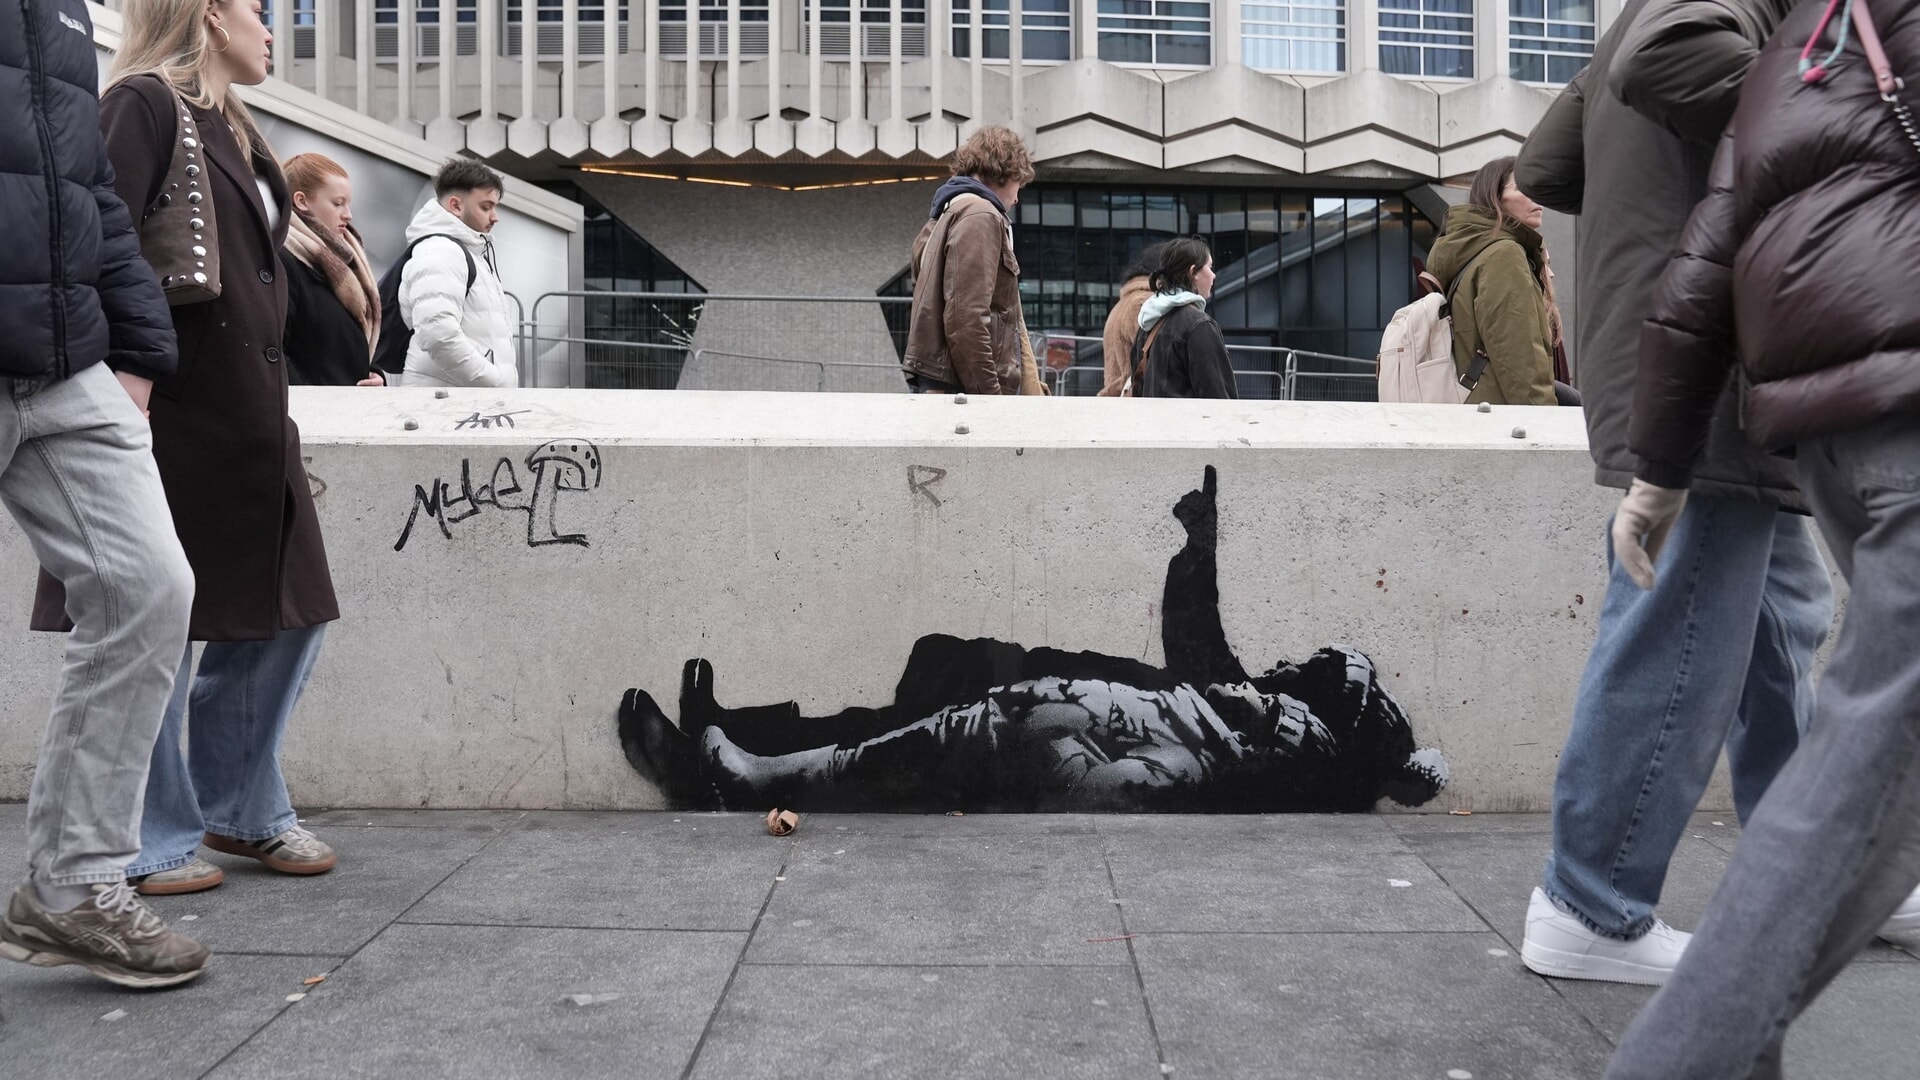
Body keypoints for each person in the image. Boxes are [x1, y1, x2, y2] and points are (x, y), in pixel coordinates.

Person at [1604, 0, 1920, 1072]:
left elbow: (1704, 261)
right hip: (1906, 383)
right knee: (1871, 768)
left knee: (1866, 748)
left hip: (1830, 424)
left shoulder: (1803, 45)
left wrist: (1660, 465)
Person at [1508, 0, 1842, 986]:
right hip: (1705, 356)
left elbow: (1544, 165)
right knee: (1681, 625)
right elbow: (1671, 58)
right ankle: (1591, 901)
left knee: (1782, 619)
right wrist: (1836, 144)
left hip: (1660, 340)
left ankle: (1822, 869)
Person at [622, 468, 1448, 813]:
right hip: (1091, 702)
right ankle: (742, 735)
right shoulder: (1279, 714)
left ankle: (722, 771)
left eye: (1310, 670)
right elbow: (1208, 668)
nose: (1291, 667)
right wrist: (1198, 556)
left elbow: (1202, 687)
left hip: (1086, 727)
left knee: (927, 713)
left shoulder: (1301, 731)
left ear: (1341, 701)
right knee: (932, 678)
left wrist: (1198, 561)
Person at [42, 0, 344, 895]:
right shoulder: (139, 102)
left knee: (290, 611)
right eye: (259, 10)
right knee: (160, 626)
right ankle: (153, 835)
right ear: (209, 15)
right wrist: (129, 378)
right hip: (171, 408)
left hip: (250, 412)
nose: (270, 27)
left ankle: (240, 810)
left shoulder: (236, 126)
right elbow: (90, 245)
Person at [0, 0, 207, 989]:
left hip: (68, 357)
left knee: (149, 588)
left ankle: (76, 888)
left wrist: (136, 346)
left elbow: (84, 188)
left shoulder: (62, 15)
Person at [902, 126, 1035, 395]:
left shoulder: (943, 214)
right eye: (1018, 182)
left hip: (944, 387)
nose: (1018, 196)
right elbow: (967, 318)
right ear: (1004, 172)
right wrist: (990, 395)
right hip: (965, 395)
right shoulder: (980, 215)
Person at [1425, 158, 1557, 407]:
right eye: (1522, 187)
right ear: (1495, 196)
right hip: (1507, 422)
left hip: (1476, 410)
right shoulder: (1504, 254)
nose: (1537, 196)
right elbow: (1520, 357)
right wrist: (1546, 422)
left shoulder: (1474, 252)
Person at [396, 158, 518, 388]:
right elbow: (438, 335)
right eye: (485, 206)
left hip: (457, 403)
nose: (495, 216)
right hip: (445, 405)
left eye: (495, 206)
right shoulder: (441, 251)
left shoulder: (466, 251)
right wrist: (494, 381)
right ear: (455, 206)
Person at [281, 153, 383, 387]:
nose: (348, 214)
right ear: (302, 201)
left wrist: (376, 375)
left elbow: (358, 338)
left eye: (348, 203)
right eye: (338, 203)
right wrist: (316, 401)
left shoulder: (348, 259)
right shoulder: (285, 260)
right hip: (314, 415)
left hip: (351, 409)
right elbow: (274, 350)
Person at [1133, 238, 1235, 400]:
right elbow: (1217, 396)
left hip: (1154, 422)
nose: (1214, 275)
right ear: (1193, 272)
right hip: (1188, 424)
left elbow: (1138, 386)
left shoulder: (1148, 321)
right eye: (1210, 267)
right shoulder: (1199, 325)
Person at [1098, 244, 1163, 397]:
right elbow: (1155, 362)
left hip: (1123, 401)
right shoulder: (1143, 303)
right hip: (1135, 402)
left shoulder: (1128, 301)